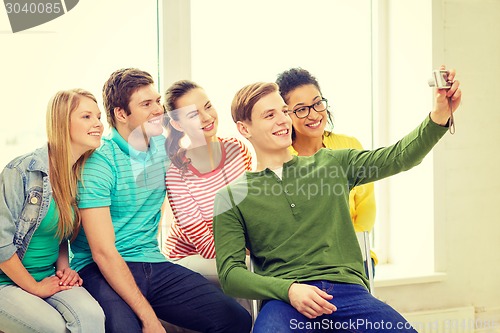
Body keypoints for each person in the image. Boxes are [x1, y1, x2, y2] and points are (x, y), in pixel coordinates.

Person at [213, 66, 461, 332]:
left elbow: (399, 157)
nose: (282, 120)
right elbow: (230, 275)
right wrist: (289, 290)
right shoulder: (229, 197)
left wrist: (439, 115)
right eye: (269, 115)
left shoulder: (332, 163)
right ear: (244, 128)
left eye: (284, 111)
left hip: (349, 296)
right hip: (285, 303)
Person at [70, 68, 252, 333]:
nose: (159, 110)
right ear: (121, 114)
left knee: (235, 319)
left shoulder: (166, 151)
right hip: (100, 268)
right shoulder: (99, 163)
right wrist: (149, 318)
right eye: (146, 104)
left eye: (157, 101)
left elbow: (205, 166)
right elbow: (102, 252)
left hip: (153, 263)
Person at [0, 89, 105, 332]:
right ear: (61, 122)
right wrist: (34, 288)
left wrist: (64, 268)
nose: (98, 124)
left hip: (48, 276)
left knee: (92, 318)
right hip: (6, 283)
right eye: (87, 116)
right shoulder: (22, 171)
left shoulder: (77, 175)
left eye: (98, 117)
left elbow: (57, 234)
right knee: (54, 328)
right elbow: (1, 243)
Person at [276, 67, 378, 273]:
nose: (313, 114)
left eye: (317, 103)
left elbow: (367, 206)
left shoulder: (350, 145)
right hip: (303, 263)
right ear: (286, 114)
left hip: (355, 255)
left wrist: (351, 245)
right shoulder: (279, 158)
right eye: (301, 109)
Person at [163, 80, 252, 283]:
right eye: (193, 115)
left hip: (233, 248)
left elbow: (248, 211)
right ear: (177, 124)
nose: (207, 117)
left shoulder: (237, 150)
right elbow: (206, 246)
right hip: (190, 258)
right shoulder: (177, 173)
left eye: (208, 106)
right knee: (250, 269)